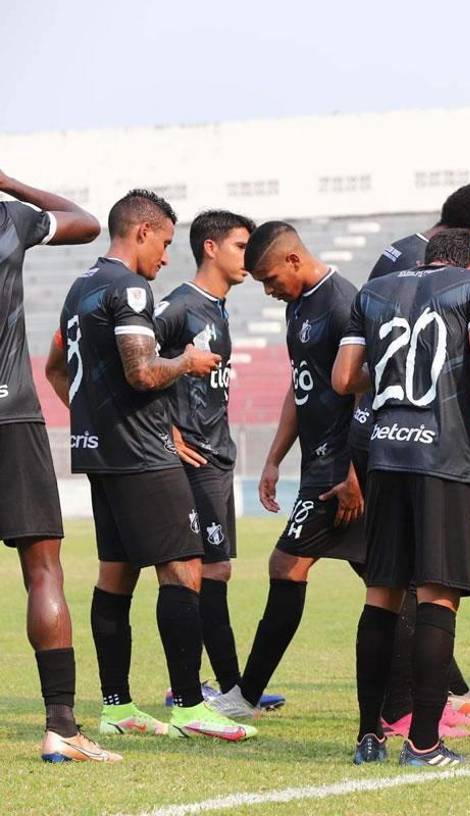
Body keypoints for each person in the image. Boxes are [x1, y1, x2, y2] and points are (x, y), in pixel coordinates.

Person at [45, 189, 255, 741]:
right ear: (141, 232)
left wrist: (98, 422)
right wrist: (186, 361)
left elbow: (55, 370)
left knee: (116, 574)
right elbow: (141, 373)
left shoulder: (80, 287)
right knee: (184, 567)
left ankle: (116, 708)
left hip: (100, 453)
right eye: (163, 242)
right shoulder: (129, 287)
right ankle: (189, 707)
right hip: (143, 455)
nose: (166, 256)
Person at [334, 228, 470, 766]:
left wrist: (386, 371)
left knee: (382, 594)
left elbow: (344, 378)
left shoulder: (375, 291)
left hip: (384, 458)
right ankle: (425, 742)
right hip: (444, 460)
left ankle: (369, 736)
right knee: (438, 595)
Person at [209, 222, 369, 719]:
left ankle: (246, 696)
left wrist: (356, 472)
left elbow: (369, 388)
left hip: (341, 468)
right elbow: (302, 387)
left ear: (294, 260)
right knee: (386, 580)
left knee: (286, 565)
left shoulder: (345, 304)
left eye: (270, 278)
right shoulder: (299, 306)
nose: (268, 290)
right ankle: (449, 692)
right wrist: (276, 457)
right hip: (320, 462)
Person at [0, 169, 120, 762]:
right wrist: (10, 184)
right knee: (42, 569)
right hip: (10, 415)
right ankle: (61, 726)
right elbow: (86, 221)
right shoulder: (8, 220)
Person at [153, 209, 285, 712]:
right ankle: (216, 687)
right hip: (191, 457)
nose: (248, 256)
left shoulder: (218, 308)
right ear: (210, 248)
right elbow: (135, 364)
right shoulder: (178, 305)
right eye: (239, 245)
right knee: (202, 570)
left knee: (215, 570)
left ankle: (225, 685)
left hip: (217, 455)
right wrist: (165, 430)